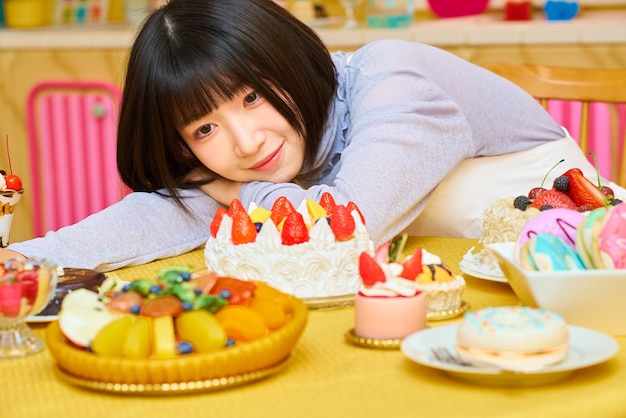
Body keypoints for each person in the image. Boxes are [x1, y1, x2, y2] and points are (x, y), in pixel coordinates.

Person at [1, 0, 621, 271]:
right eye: (205, 126)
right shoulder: (275, 156)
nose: (245, 142)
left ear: (286, 58)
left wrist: (236, 196)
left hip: (588, 275)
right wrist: (28, 259)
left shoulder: (394, 79)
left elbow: (344, 226)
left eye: (252, 95)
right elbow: (170, 212)